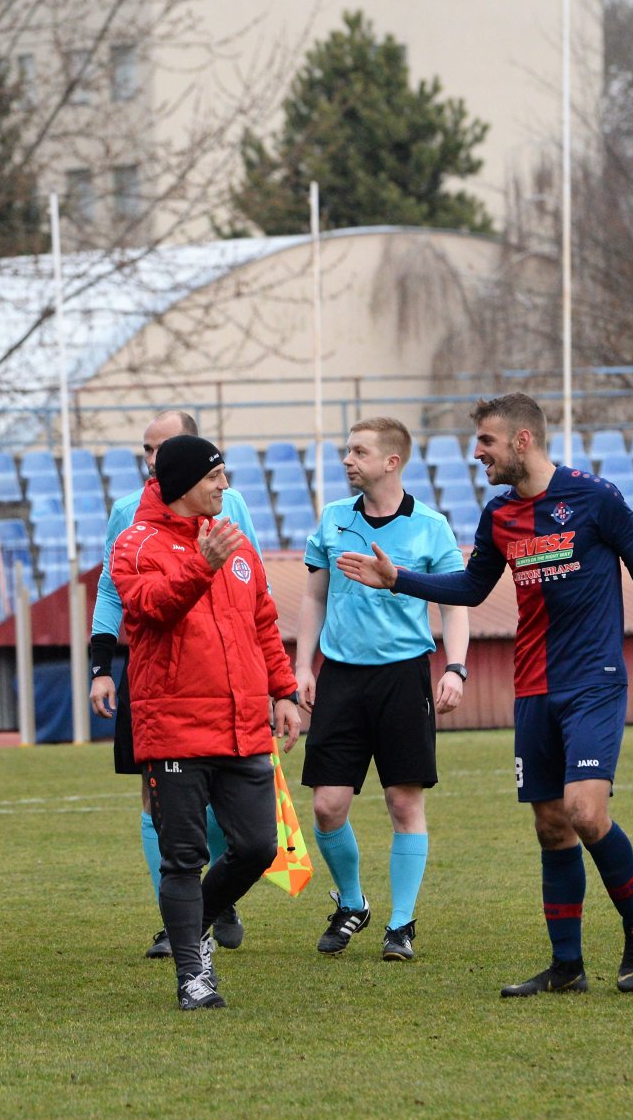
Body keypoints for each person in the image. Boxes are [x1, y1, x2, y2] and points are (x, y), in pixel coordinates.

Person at [337, 394, 633, 997]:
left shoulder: (594, 498)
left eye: (486, 442)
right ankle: (567, 966)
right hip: (532, 687)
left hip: (593, 681)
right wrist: (400, 580)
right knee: (552, 826)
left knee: (585, 812)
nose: (478, 453)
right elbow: (474, 587)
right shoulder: (498, 516)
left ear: (522, 441)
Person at [112, 435, 300, 1009]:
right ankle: (193, 976)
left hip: (242, 723)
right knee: (184, 858)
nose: (225, 486)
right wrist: (201, 565)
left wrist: (284, 690)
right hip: (173, 727)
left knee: (258, 847)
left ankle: (191, 931)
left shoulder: (236, 545)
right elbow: (149, 608)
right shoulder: (135, 544)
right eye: (216, 476)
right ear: (185, 482)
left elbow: (263, 622)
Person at [89, 409, 261, 959]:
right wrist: (99, 666)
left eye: (161, 451)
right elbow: (119, 593)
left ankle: (206, 906)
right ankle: (181, 928)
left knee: (246, 830)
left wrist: (278, 686)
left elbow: (253, 598)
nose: (152, 462)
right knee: (161, 811)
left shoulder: (229, 508)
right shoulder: (128, 519)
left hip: (229, 695)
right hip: (160, 686)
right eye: (146, 450)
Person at [296, 418, 470, 961]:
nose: (347, 460)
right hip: (341, 676)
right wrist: (302, 666)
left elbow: (454, 602)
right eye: (347, 451)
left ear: (391, 462)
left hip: (404, 676)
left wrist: (455, 667)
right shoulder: (332, 520)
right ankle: (352, 904)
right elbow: (313, 599)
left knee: (402, 801)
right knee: (327, 807)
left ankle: (401, 924)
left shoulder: (431, 527)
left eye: (358, 452)